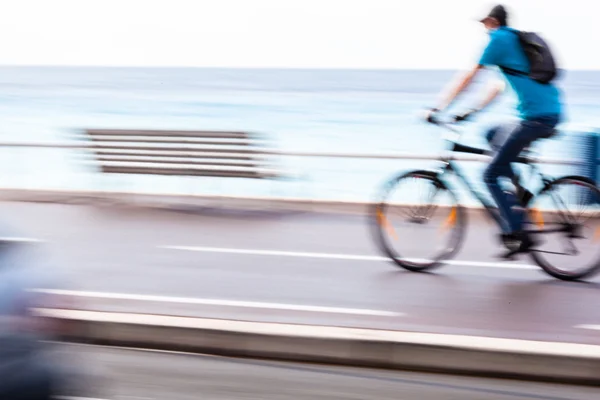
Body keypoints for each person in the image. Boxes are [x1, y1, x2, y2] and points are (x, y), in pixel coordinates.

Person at [425, 4, 563, 258]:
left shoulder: (499, 38)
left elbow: (469, 77)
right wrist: (467, 113)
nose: (484, 31)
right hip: (544, 114)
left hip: (537, 119)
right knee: (491, 135)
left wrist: (438, 107)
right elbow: (496, 88)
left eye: (484, 25)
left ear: (491, 21)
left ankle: (517, 232)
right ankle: (519, 191)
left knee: (489, 175)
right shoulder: (512, 42)